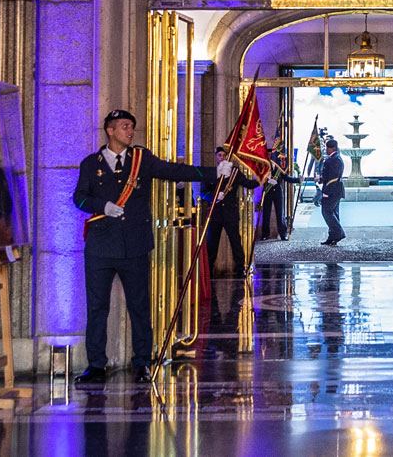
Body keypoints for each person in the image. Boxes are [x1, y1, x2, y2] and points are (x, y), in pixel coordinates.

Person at [71, 109, 225, 384]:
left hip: (135, 246)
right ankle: (96, 365)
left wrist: (214, 172)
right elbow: (79, 199)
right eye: (124, 127)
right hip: (100, 247)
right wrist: (101, 206)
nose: (130, 131)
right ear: (110, 130)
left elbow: (173, 170)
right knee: (97, 308)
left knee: (140, 307)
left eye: (131, 126)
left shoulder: (141, 160)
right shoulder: (89, 164)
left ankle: (142, 361)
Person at [201, 146, 261, 273]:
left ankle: (240, 268)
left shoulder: (235, 172)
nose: (222, 158)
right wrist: (215, 195)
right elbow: (203, 193)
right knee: (212, 243)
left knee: (235, 242)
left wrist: (261, 180)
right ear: (216, 157)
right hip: (215, 213)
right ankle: (208, 270)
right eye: (219, 155)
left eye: (224, 155)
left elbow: (247, 183)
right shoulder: (211, 172)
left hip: (230, 213)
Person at [256, 148, 299, 241]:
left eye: (272, 155)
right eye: (268, 154)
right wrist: (266, 180)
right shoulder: (263, 166)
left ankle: (283, 234)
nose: (270, 156)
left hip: (277, 192)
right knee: (266, 214)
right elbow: (259, 177)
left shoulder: (279, 167)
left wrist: (297, 180)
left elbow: (286, 177)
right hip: (267, 192)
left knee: (280, 213)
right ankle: (265, 234)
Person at [319, 139, 347, 246]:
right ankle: (332, 237)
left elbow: (332, 178)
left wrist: (326, 192)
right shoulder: (337, 158)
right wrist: (321, 179)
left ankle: (338, 233)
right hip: (337, 190)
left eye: (326, 148)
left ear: (332, 149)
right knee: (334, 213)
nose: (325, 150)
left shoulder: (333, 160)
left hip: (332, 191)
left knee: (326, 212)